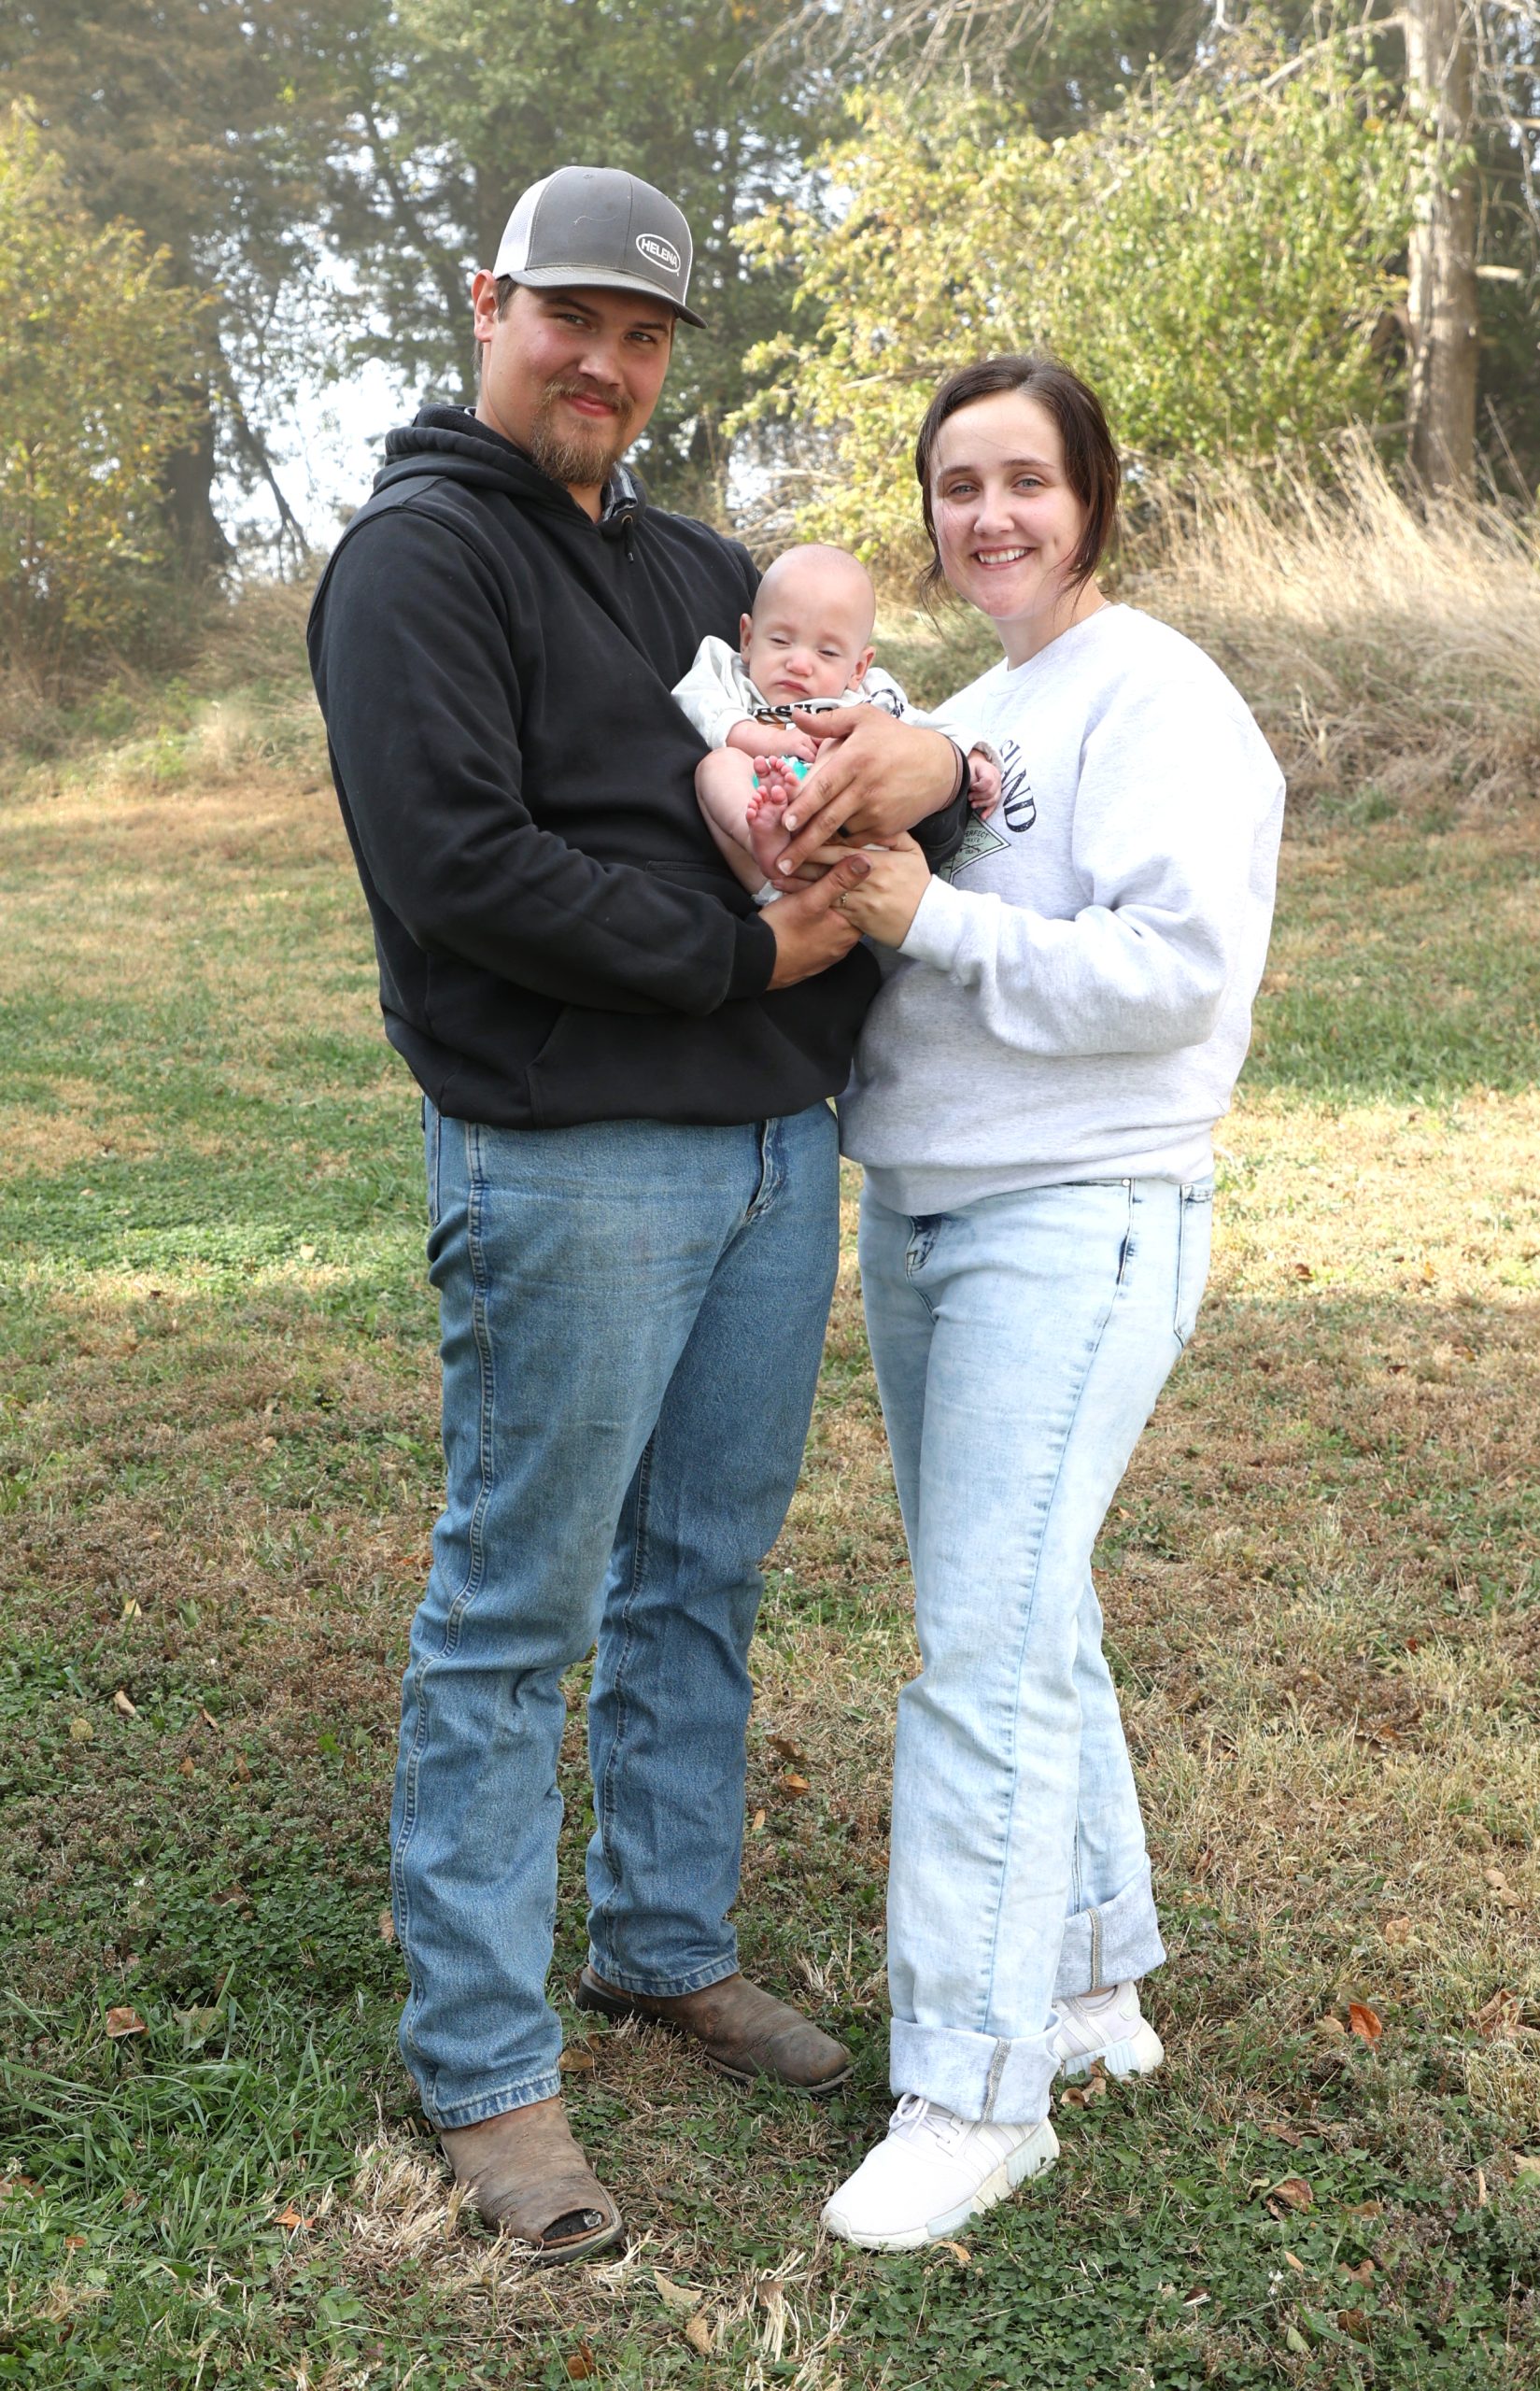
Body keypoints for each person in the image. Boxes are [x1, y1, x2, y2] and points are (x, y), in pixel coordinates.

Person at [305, 164, 971, 2264]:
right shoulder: (415, 565)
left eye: (645, 333)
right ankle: (488, 2066)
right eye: (570, 317)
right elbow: (465, 876)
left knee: (703, 1575)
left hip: (778, 1153)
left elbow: (872, 701)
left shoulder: (689, 562)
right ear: (488, 304)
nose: (604, 361)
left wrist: (921, 761)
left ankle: (662, 1940)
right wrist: (755, 964)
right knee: (519, 1609)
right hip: (575, 1148)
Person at [767, 354, 1285, 2252]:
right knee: (1019, 1604)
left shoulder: (1158, 692)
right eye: (954, 484)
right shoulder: (967, 708)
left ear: (1091, 495)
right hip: (922, 1211)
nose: (985, 513)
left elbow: (1171, 972)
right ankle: (1081, 1979)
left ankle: (973, 2092)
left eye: (1022, 479)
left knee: (972, 1653)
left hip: (1076, 1216)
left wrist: (934, 919)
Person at [677, 541, 1001, 894]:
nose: (799, 664)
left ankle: (801, 840)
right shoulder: (727, 673)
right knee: (717, 765)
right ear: (748, 638)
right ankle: (765, 839)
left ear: (858, 667)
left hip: (842, 855)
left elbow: (921, 731)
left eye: (827, 652)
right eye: (781, 640)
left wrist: (971, 755)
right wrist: (762, 738)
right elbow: (693, 702)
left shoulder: (867, 698)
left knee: (848, 745)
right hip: (763, 864)